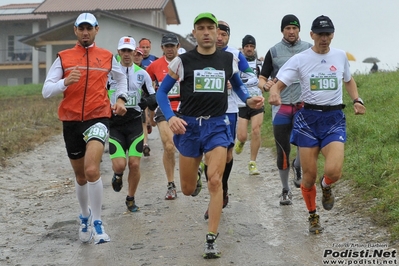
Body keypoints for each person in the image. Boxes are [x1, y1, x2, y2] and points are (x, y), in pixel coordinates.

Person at [156, 12, 264, 259]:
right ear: (194, 33)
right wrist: (171, 117)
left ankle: (211, 238)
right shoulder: (182, 61)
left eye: (210, 28)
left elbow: (236, 84)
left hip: (217, 124)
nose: (206, 32)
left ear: (217, 33)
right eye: (201, 28)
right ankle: (195, 176)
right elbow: (162, 94)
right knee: (186, 189)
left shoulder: (228, 59)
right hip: (189, 126)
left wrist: (248, 98)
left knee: (216, 180)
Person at [268, 15, 366, 234]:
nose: (324, 38)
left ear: (332, 35)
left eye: (328, 34)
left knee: (334, 171)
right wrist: (274, 93)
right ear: (311, 35)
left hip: (334, 119)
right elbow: (279, 83)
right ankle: (313, 215)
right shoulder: (300, 59)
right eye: (320, 34)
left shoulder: (340, 56)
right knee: (308, 176)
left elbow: (348, 80)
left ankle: (327, 185)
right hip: (308, 120)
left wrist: (357, 100)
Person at [42, 13, 128, 244]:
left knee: (92, 170)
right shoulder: (64, 57)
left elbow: (121, 80)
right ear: (75, 30)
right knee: (80, 176)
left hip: (98, 117)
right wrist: (64, 82)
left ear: (97, 30)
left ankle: (98, 223)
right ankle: (84, 216)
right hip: (71, 121)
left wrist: (120, 99)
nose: (85, 32)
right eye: (82, 29)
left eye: (89, 28)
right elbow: (46, 90)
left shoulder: (107, 56)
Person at [202, 20, 259, 220]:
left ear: (228, 37)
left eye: (223, 35)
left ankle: (223, 188)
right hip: (207, 110)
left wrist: (234, 83)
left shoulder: (235, 55)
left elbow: (252, 77)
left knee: (226, 155)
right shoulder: (201, 53)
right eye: (217, 33)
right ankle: (214, 193)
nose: (219, 38)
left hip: (230, 109)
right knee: (210, 156)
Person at [258, 14, 313, 205]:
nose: (291, 31)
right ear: (282, 30)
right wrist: (265, 86)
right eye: (288, 28)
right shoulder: (273, 51)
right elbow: (263, 77)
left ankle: (298, 165)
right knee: (282, 149)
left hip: (303, 105)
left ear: (299, 30)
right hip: (280, 106)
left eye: (294, 28)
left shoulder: (308, 49)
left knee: (304, 143)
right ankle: (285, 190)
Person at [108, 36, 156, 212]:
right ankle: (118, 175)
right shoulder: (110, 73)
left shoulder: (142, 74)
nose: (127, 54)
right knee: (120, 165)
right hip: (116, 125)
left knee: (134, 164)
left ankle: (130, 197)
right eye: (123, 51)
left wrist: (144, 103)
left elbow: (153, 97)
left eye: (130, 51)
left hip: (135, 123)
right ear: (118, 52)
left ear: (135, 52)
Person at [145, 33, 181, 200]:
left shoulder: (185, 63)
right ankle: (171, 184)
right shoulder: (154, 66)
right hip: (164, 108)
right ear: (162, 48)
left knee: (191, 145)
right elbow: (145, 85)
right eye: (166, 46)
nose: (169, 49)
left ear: (177, 47)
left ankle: (196, 171)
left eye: (172, 46)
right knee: (169, 146)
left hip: (185, 107)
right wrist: (148, 109)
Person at [234, 34, 265, 177]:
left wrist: (268, 85)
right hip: (241, 103)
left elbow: (265, 80)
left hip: (257, 101)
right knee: (241, 136)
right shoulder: (237, 64)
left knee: (256, 130)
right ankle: (241, 142)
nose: (249, 49)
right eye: (247, 46)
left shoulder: (260, 64)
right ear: (243, 47)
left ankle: (253, 162)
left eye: (252, 46)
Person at [133, 47, 152, 156]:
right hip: (129, 101)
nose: (136, 57)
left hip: (142, 100)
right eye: (135, 54)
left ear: (142, 57)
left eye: (139, 55)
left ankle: (145, 144)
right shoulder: (126, 69)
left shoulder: (145, 70)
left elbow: (151, 87)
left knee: (144, 122)